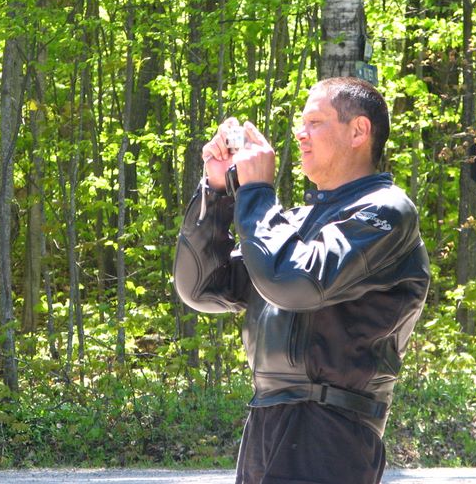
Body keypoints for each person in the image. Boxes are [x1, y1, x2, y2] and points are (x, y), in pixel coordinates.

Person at [173, 76, 430, 484]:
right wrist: (218, 190)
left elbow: (294, 281)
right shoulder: (291, 224)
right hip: (265, 421)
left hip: (331, 432)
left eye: (315, 122)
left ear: (359, 131)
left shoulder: (388, 213)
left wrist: (257, 193)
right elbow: (201, 287)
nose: (300, 133)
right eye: (301, 123)